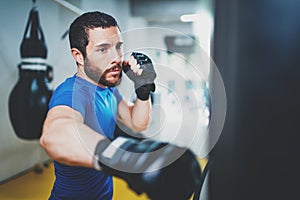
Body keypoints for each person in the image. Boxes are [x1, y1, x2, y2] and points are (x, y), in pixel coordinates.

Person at [40, 11, 201, 200]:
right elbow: (54, 134)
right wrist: (131, 159)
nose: (116, 57)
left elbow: (137, 123)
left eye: (118, 47)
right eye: (103, 49)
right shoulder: (72, 93)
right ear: (79, 56)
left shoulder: (108, 89)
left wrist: (143, 90)